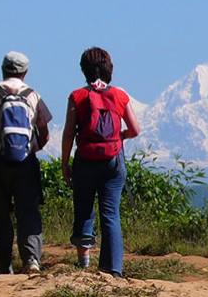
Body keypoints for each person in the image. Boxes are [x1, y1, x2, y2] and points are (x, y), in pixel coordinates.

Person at [61, 47, 140, 277]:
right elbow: (135, 130)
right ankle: (113, 270)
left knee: (84, 208)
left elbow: (68, 133)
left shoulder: (77, 96)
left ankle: (83, 263)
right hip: (113, 161)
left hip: (85, 159)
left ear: (84, 70)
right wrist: (120, 136)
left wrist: (65, 163)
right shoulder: (119, 95)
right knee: (111, 214)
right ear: (109, 68)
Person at [0, 51, 52, 278]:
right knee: (28, 212)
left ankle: (4, 264)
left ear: (3, 68)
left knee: (2, 215)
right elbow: (45, 132)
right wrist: (32, 149)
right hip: (26, 164)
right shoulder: (33, 95)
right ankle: (32, 261)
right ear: (25, 72)